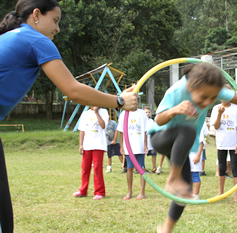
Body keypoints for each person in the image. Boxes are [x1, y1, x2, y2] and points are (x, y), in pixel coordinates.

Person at [0, 1, 138, 232]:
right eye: (55, 20)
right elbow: (72, 90)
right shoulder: (36, 40)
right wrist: (119, 101)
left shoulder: (12, 38)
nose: (58, 29)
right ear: (36, 15)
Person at [148, 62, 237, 233]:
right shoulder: (177, 91)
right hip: (161, 138)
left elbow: (236, 98)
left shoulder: (212, 89)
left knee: (185, 190)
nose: (208, 102)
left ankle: (166, 228)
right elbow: (158, 120)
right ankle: (172, 178)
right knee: (188, 131)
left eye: (213, 98)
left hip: (180, 146)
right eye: (203, 98)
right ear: (191, 87)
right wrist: (176, 110)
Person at [73, 107, 109, 200]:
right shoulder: (85, 114)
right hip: (87, 145)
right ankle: (83, 190)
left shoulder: (104, 112)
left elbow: (103, 125)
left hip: (98, 145)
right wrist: (81, 145)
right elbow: (82, 130)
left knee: (97, 168)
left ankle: (100, 192)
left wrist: (97, 113)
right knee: (85, 168)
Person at [210, 98, 237, 202]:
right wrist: (220, 114)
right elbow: (216, 126)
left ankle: (236, 195)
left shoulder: (236, 108)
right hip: (221, 143)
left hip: (233, 144)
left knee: (234, 167)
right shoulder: (216, 108)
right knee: (222, 167)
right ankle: (221, 192)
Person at [118, 108, 148, 200]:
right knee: (129, 168)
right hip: (128, 145)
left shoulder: (142, 113)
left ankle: (142, 192)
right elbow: (121, 131)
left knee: (141, 168)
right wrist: (122, 146)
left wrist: (145, 145)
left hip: (139, 145)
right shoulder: (124, 113)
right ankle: (129, 192)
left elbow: (145, 131)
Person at [189, 123, 206, 200]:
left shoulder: (199, 127)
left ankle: (195, 195)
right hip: (187, 155)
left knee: (195, 175)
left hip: (195, 155)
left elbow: (201, 143)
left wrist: (198, 155)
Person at [144, 106, 157, 173]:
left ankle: (154, 167)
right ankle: (142, 167)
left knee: (153, 154)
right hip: (144, 141)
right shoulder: (142, 121)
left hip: (151, 140)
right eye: (146, 112)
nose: (147, 114)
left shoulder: (151, 121)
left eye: (149, 112)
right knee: (142, 155)